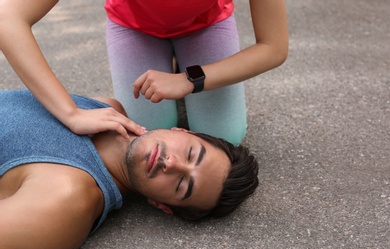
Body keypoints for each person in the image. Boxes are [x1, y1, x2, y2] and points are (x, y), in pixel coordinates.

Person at [0, 89, 259, 249]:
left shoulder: (67, 200)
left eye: (181, 185)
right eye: (191, 154)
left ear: (162, 206)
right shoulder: (106, 108)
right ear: (184, 132)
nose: (172, 164)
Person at [0, 0, 289, 147]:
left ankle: (179, 64)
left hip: (206, 24)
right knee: (146, 136)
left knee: (220, 140)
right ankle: (168, 60)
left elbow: (274, 47)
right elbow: (7, 16)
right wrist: (71, 113)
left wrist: (189, 79)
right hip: (134, 26)